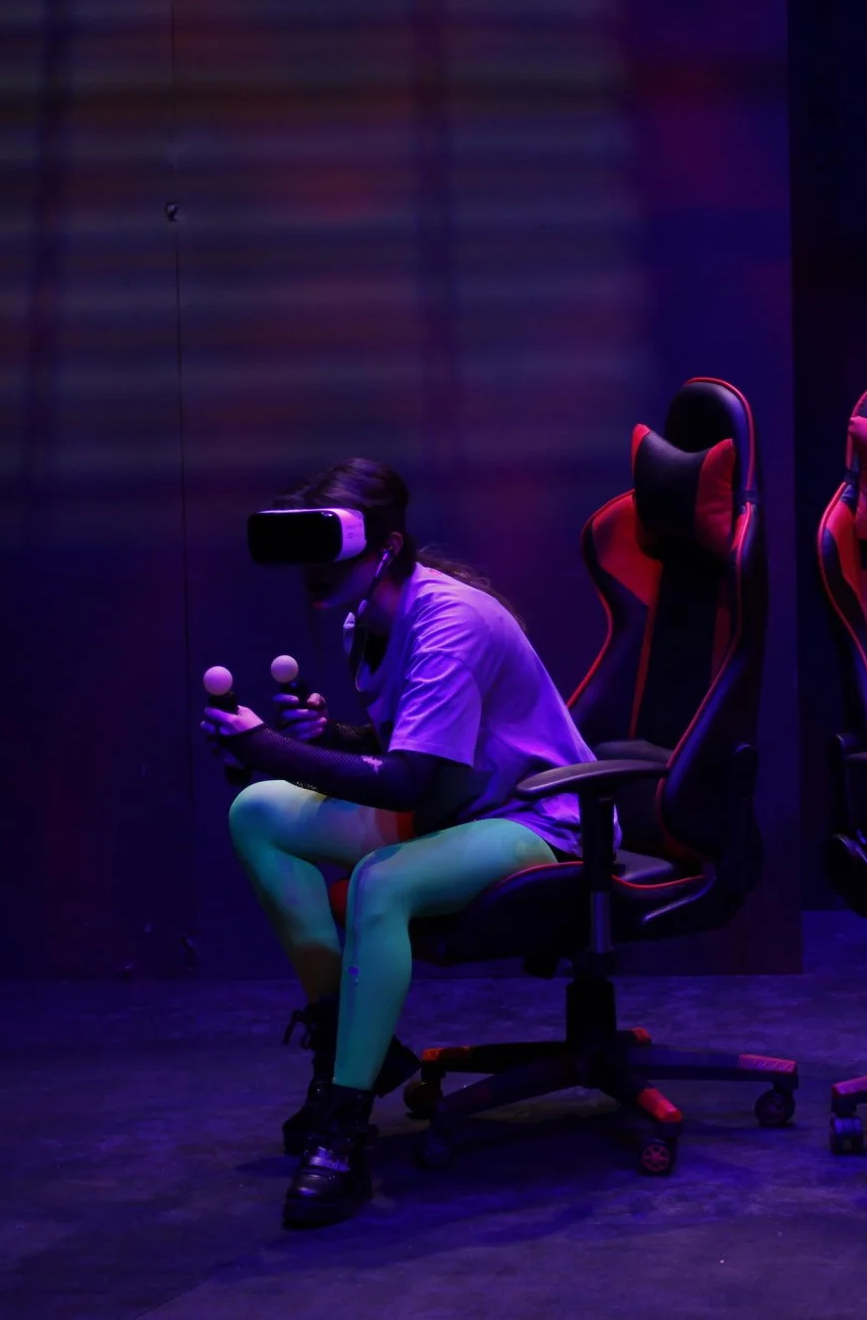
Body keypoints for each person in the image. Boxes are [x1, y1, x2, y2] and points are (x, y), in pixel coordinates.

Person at [200, 458, 588, 1229]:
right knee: (257, 811)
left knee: (382, 879)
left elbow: (407, 782)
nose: (315, 574)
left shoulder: (452, 621)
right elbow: (413, 749)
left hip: (535, 820)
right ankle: (349, 1045)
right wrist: (333, 736)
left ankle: (343, 1127)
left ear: (388, 547)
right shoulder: (363, 622)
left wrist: (267, 745)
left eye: (330, 553)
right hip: (455, 806)